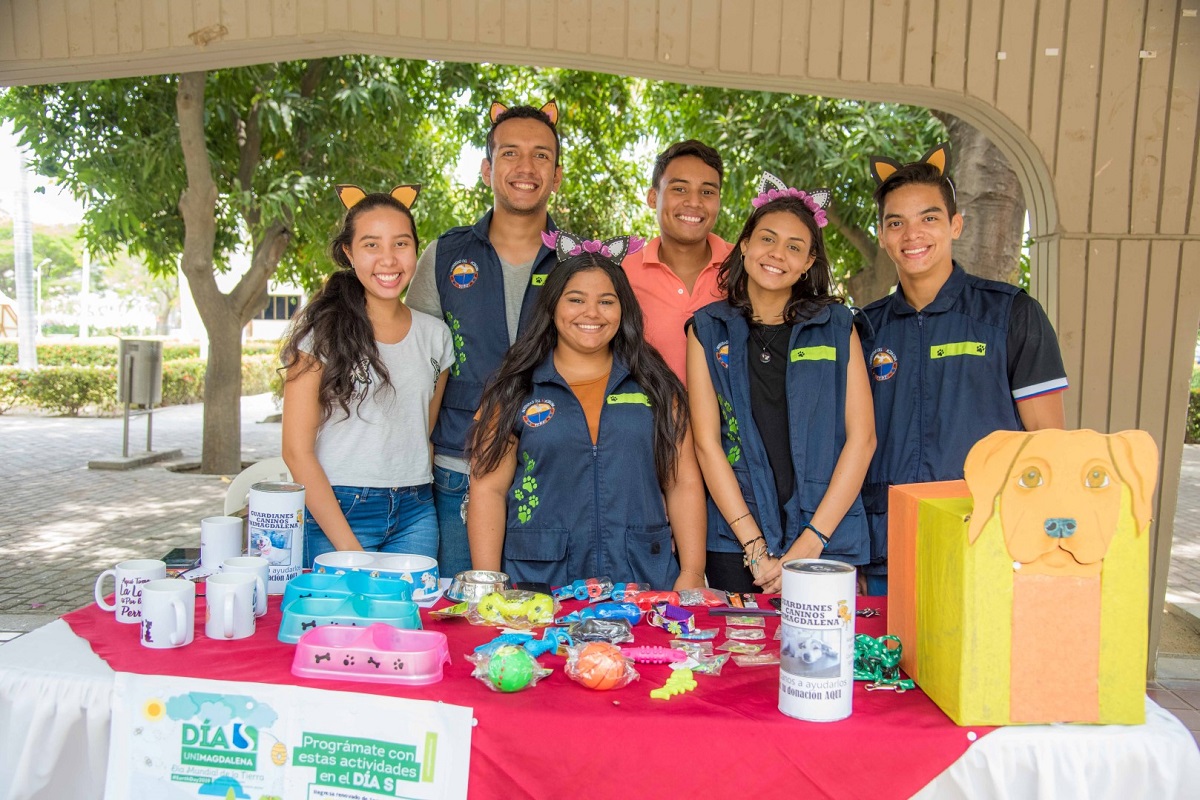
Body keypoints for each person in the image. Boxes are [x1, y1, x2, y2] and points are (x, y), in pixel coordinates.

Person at [859, 143, 1068, 595]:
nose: (912, 234)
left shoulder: (1010, 313)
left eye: (929, 218)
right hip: (884, 546)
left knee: (974, 663)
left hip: (985, 540)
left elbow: (1049, 444)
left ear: (956, 224)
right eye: (896, 222)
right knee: (884, 665)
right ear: (882, 234)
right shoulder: (864, 328)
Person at [467, 231, 707, 590]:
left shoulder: (656, 386)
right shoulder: (514, 386)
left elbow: (683, 483)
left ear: (623, 309)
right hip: (538, 582)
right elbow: (488, 490)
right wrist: (488, 585)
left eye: (606, 302)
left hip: (642, 578)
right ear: (552, 307)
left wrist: (690, 573)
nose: (591, 313)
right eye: (575, 299)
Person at [688, 173, 875, 594]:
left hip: (826, 536)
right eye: (768, 239)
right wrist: (755, 547)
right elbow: (706, 444)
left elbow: (862, 440)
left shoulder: (838, 327)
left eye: (795, 247)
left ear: (809, 262)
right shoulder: (707, 329)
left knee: (822, 658)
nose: (778, 254)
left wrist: (810, 542)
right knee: (740, 655)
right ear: (745, 245)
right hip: (736, 543)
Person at [406, 101, 563, 579]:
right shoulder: (444, 255)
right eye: (510, 153)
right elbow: (416, 368)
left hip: (553, 471)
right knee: (462, 622)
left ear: (556, 175)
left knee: (549, 625)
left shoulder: (579, 262)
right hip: (457, 472)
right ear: (486, 168)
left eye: (541, 155)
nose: (525, 167)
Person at [280, 185, 454, 567]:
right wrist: (350, 551)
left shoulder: (436, 336)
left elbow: (421, 430)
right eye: (371, 245)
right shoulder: (321, 334)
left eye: (401, 244)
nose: (388, 260)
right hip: (337, 507)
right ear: (349, 252)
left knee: (407, 623)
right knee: (341, 622)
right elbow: (295, 450)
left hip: (416, 511)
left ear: (415, 250)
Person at [622, 139, 733, 381]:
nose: (694, 202)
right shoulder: (622, 274)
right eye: (680, 189)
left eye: (707, 192)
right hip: (651, 417)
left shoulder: (744, 266)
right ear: (653, 197)